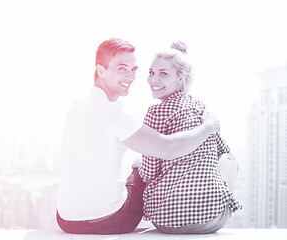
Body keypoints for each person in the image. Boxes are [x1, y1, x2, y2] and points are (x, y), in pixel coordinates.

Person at [56, 38, 220, 234]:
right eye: (122, 68)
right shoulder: (114, 112)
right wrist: (208, 127)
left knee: (136, 164)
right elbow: (168, 149)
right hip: (111, 219)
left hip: (66, 219)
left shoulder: (79, 102)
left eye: (134, 69)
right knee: (140, 166)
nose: (131, 76)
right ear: (101, 71)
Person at [138, 41, 242, 234]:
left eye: (163, 73)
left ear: (181, 78)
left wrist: (140, 167)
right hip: (213, 219)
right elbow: (226, 153)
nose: (153, 79)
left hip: (167, 221)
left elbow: (150, 171)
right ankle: (217, 197)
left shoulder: (155, 112)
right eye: (151, 72)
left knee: (139, 168)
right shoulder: (202, 108)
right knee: (227, 161)